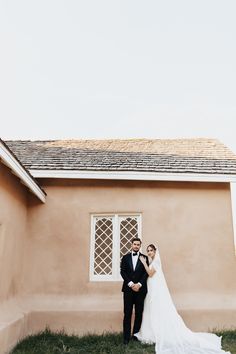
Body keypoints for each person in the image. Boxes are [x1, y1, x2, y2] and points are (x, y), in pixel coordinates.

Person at [135, 244, 231, 354]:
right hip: (152, 290)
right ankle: (151, 334)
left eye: (151, 250)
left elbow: (150, 274)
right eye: (148, 251)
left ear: (155, 251)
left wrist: (143, 263)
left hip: (156, 292)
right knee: (151, 311)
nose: (149, 252)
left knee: (157, 311)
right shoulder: (152, 262)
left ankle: (159, 334)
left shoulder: (156, 262)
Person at [120, 237, 149, 345]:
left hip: (140, 290)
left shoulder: (144, 258)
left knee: (139, 313)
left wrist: (139, 284)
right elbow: (122, 272)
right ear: (131, 245)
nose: (136, 246)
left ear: (140, 246)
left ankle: (136, 336)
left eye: (138, 244)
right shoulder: (125, 257)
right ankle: (126, 338)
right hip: (128, 289)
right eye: (135, 244)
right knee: (127, 313)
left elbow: (146, 273)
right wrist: (131, 284)